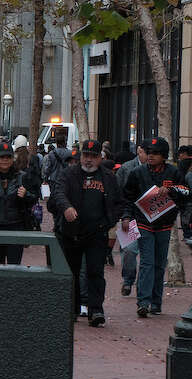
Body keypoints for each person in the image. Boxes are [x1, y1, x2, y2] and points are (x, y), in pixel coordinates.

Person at [51, 140, 124, 327]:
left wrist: (109, 221)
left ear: (100, 157)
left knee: (95, 271)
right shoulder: (69, 174)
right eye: (86, 155)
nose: (89, 160)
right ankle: (72, 309)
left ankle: (96, 309)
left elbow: (118, 202)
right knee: (72, 272)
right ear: (80, 156)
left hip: (97, 233)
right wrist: (66, 207)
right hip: (71, 232)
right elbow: (58, 193)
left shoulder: (108, 177)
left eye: (93, 156)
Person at [121, 137, 189, 317]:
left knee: (159, 265)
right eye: (149, 153)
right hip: (143, 223)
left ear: (164, 156)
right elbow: (127, 198)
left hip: (165, 225)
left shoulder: (173, 173)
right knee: (147, 263)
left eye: (155, 153)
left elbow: (186, 192)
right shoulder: (137, 173)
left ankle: (156, 302)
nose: (151, 156)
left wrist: (172, 190)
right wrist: (127, 217)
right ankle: (143, 302)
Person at [117, 143, 146, 296]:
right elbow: (117, 190)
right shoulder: (127, 168)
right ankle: (128, 280)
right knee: (128, 251)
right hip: (129, 215)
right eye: (144, 152)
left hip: (149, 218)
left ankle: (143, 287)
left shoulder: (159, 170)